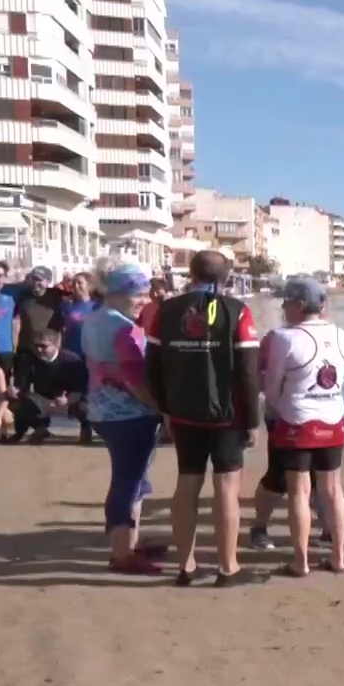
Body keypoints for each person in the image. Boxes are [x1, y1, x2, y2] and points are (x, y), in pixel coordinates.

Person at [145, 249, 262, 587]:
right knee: (226, 486)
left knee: (187, 483)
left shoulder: (165, 311)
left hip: (183, 413)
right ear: (225, 278)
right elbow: (248, 372)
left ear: (191, 275)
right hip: (227, 416)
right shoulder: (237, 311)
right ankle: (228, 567)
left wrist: (165, 408)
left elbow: (150, 367)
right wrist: (252, 419)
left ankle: (187, 566)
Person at [259, 278, 344, 576]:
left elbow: (271, 388)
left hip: (297, 421)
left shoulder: (284, 338)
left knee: (299, 492)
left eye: (287, 302)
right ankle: (338, 557)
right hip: (333, 419)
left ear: (299, 305)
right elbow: (343, 378)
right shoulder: (341, 334)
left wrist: (277, 408)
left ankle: (301, 561)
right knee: (333, 490)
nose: (284, 307)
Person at [80, 264, 165, 574]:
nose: (143, 300)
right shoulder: (122, 328)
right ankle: (121, 554)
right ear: (116, 294)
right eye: (138, 294)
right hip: (128, 414)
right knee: (128, 483)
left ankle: (129, 542)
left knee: (133, 480)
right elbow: (135, 382)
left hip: (102, 410)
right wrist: (161, 410)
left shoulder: (94, 319)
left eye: (145, 293)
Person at [9, 329, 88, 442]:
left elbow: (81, 387)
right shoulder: (29, 359)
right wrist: (16, 390)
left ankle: (86, 427)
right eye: (35, 346)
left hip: (68, 400)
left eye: (43, 346)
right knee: (16, 401)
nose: (38, 349)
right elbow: (23, 384)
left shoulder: (72, 360)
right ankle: (30, 430)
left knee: (86, 403)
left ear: (56, 345)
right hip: (42, 399)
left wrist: (68, 399)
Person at [56, 271, 97, 359]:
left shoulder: (97, 307)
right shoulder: (66, 305)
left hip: (91, 354)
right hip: (70, 352)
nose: (76, 286)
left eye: (79, 283)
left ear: (89, 286)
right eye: (74, 283)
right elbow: (59, 330)